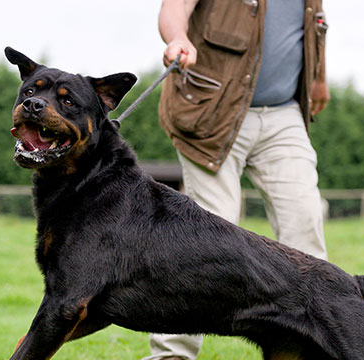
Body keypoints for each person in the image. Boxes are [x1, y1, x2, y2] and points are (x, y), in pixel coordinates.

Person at [145, 0, 330, 359]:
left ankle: (304, 350)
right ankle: (172, 354)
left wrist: (319, 78)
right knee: (202, 239)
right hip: (212, 112)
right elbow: (176, 5)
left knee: (305, 222)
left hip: (283, 114)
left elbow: (314, 27)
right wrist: (178, 36)